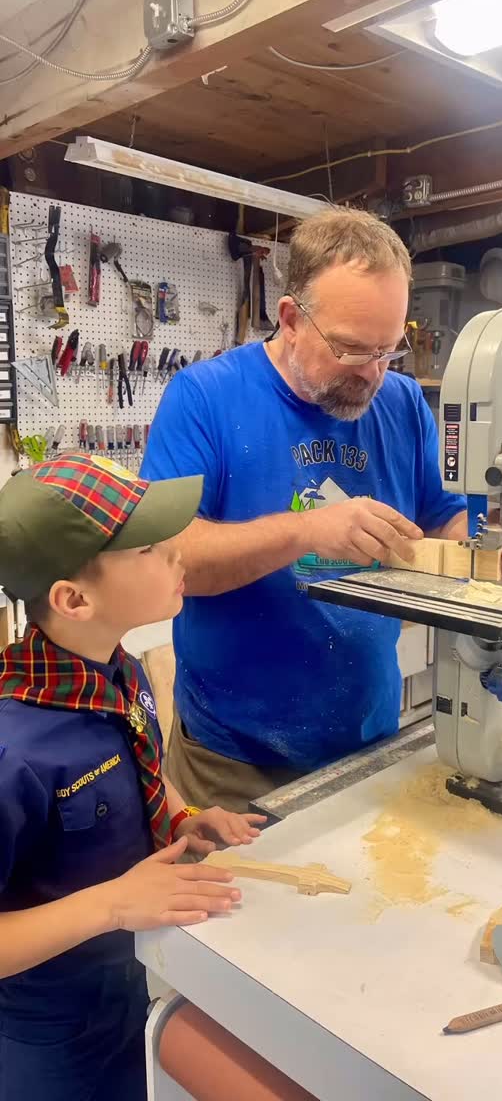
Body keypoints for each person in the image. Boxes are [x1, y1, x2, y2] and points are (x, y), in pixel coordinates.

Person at [141, 208, 502, 812]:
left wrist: (478, 538)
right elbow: (168, 558)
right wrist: (307, 530)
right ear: (291, 318)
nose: (371, 374)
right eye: (350, 349)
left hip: (369, 736)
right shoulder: (203, 398)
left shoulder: (401, 404)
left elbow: (440, 514)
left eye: (387, 350)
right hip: (235, 761)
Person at [0, 453, 265, 1101]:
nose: (177, 553)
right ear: (73, 598)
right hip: (46, 1039)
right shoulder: (15, 752)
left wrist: (178, 814)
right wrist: (116, 903)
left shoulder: (118, 672)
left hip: (129, 986)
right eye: (149, 547)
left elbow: (135, 751)